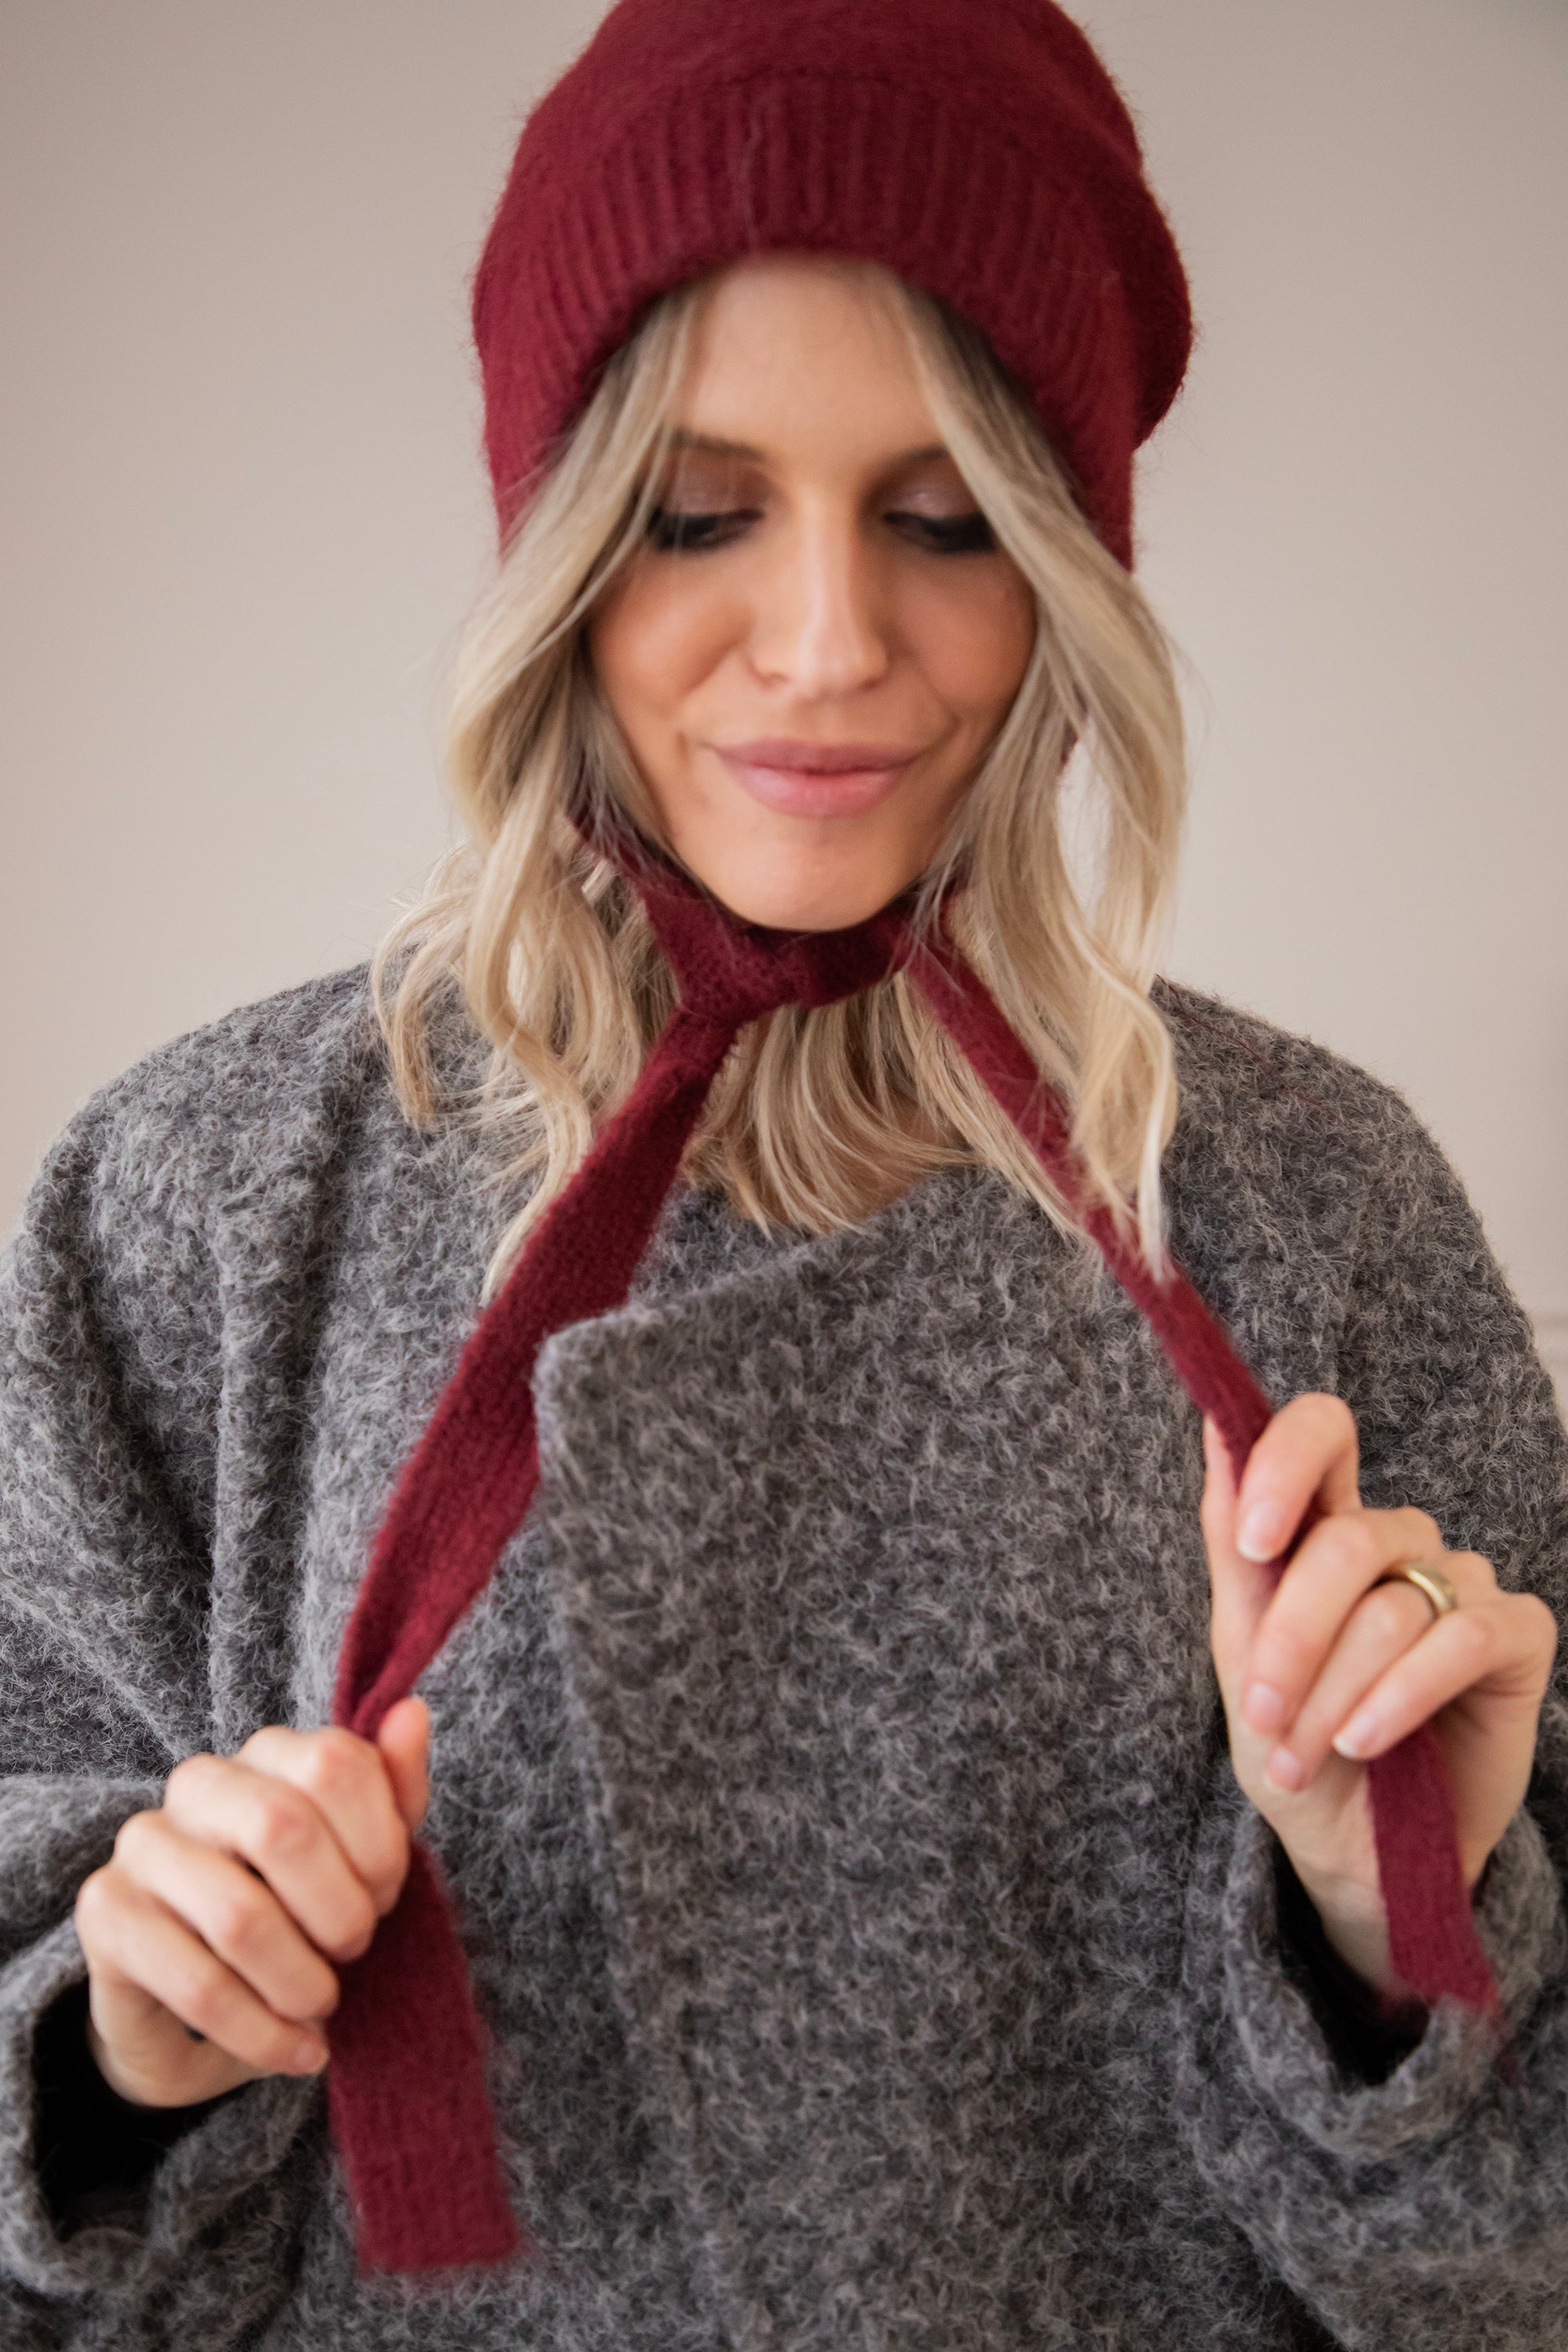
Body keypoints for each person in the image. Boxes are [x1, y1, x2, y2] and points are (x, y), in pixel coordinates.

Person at [2, 0, 1566, 2344]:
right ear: (557, 549)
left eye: (943, 519)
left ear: (1064, 568)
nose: (829, 645)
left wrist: (1379, 1918)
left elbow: (1520, 2261)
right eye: (696, 513)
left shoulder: (1307, 1213)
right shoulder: (208, 1200)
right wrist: (129, 2036)